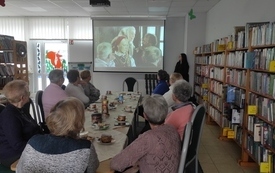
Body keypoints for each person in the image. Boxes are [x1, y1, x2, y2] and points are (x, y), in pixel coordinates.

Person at [16, 97, 99, 173]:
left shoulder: (33, 141)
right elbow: (93, 169)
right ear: (79, 122)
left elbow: (19, 170)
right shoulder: (86, 147)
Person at [110, 95, 181, 173]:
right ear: (166, 112)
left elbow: (116, 164)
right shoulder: (172, 129)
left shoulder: (148, 138)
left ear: (145, 116)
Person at [0, 80, 41, 167]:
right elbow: (17, 145)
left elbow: (33, 127)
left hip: (29, 147)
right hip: (13, 154)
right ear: (22, 98)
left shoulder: (21, 108)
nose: (29, 96)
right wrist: (39, 147)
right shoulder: (9, 116)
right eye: (28, 93)